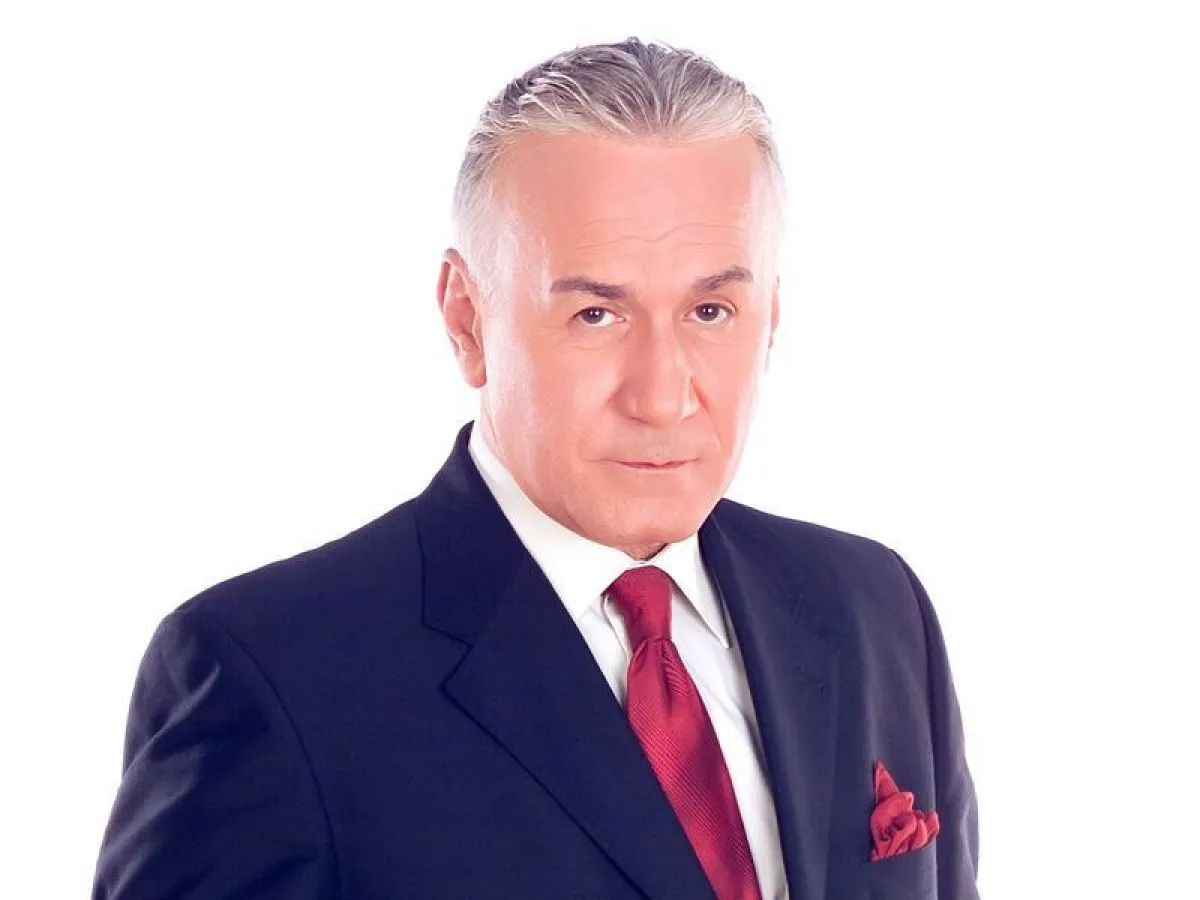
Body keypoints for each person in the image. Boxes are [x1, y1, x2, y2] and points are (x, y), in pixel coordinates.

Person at [93, 37, 979, 900]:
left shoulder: (873, 607)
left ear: (770, 316)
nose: (662, 396)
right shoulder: (272, 675)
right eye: (597, 315)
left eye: (711, 310)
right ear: (467, 320)